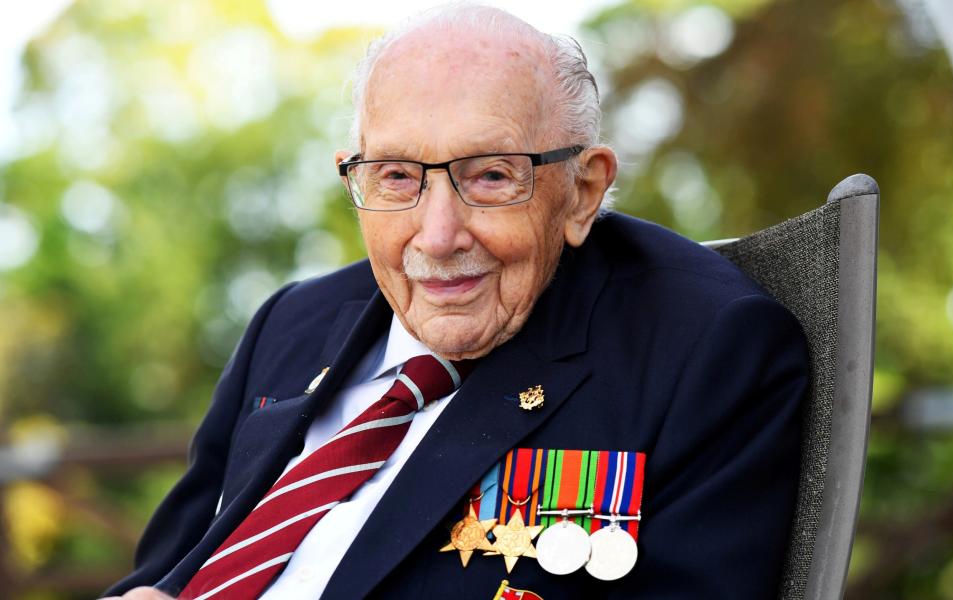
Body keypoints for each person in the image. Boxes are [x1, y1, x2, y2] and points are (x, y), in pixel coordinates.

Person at [103, 4, 808, 599]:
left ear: (583, 191)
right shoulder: (290, 325)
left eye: (492, 175)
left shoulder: (706, 349)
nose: (437, 237)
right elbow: (164, 574)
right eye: (397, 177)